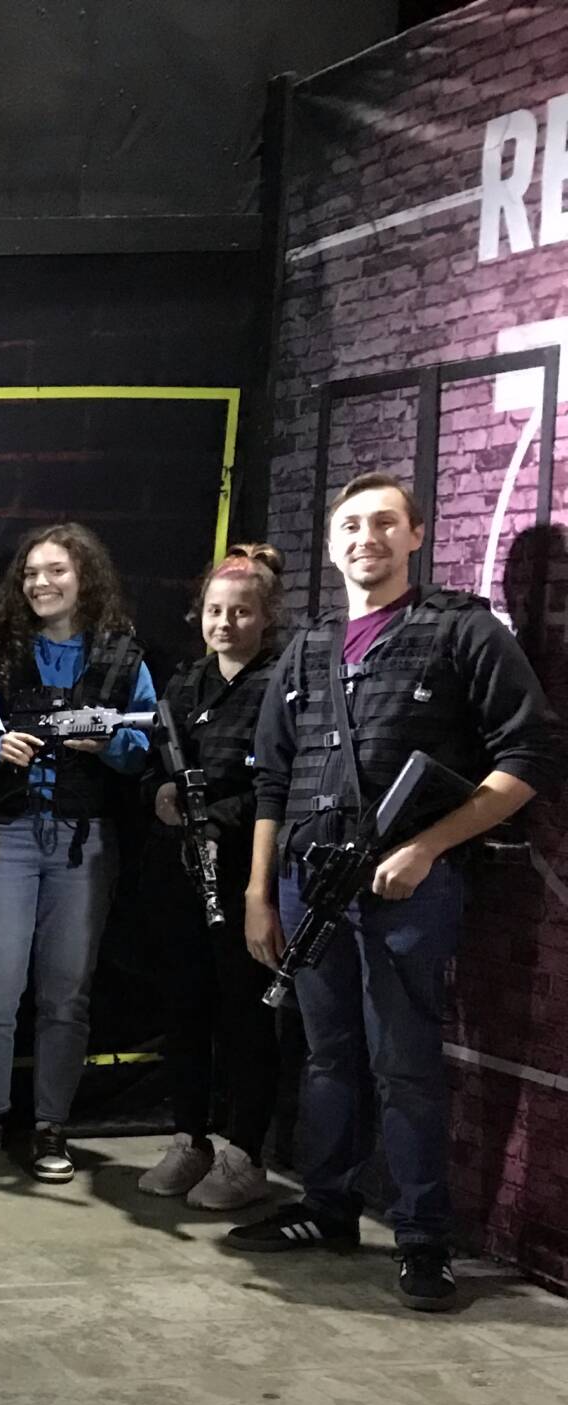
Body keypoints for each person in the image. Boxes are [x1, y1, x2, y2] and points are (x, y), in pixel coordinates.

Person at [230, 474, 565, 1310]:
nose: (365, 538)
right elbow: (273, 779)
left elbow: (529, 755)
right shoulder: (308, 649)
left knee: (405, 1064)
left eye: (384, 523)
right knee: (327, 1056)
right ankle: (327, 1206)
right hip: (309, 883)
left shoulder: (462, 629)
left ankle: (422, 1238)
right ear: (330, 542)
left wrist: (428, 846)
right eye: (350, 525)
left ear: (416, 535)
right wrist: (260, 892)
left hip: (407, 887)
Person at [0, 523, 158, 1183]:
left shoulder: (122, 657)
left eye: (56, 571)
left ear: (84, 577)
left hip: (84, 838)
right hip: (7, 835)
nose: (41, 583)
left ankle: (51, 1124)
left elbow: (147, 746)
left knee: (67, 991)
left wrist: (110, 745)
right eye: (31, 573)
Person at [136, 545, 288, 1212]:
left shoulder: (280, 682)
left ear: (266, 616)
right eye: (215, 611)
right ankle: (189, 1138)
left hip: (242, 872)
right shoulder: (185, 683)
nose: (224, 623)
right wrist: (161, 795)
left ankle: (244, 1153)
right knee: (184, 1009)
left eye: (241, 612)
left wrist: (216, 818)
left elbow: (277, 784)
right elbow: (156, 764)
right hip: (179, 873)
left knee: (245, 1016)